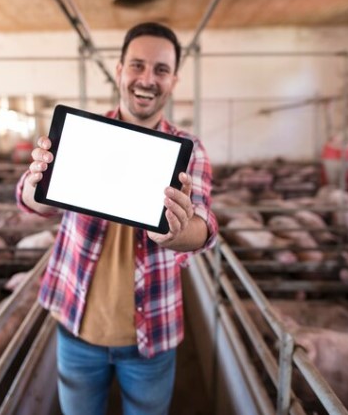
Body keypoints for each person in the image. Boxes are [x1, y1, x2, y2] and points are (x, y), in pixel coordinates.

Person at [15, 22, 218, 415]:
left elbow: (205, 226)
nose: (147, 79)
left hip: (152, 336)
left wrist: (176, 232)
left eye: (161, 70)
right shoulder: (82, 136)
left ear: (174, 80)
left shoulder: (190, 150)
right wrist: (36, 183)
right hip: (77, 326)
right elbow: (32, 203)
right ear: (119, 69)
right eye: (137, 66)